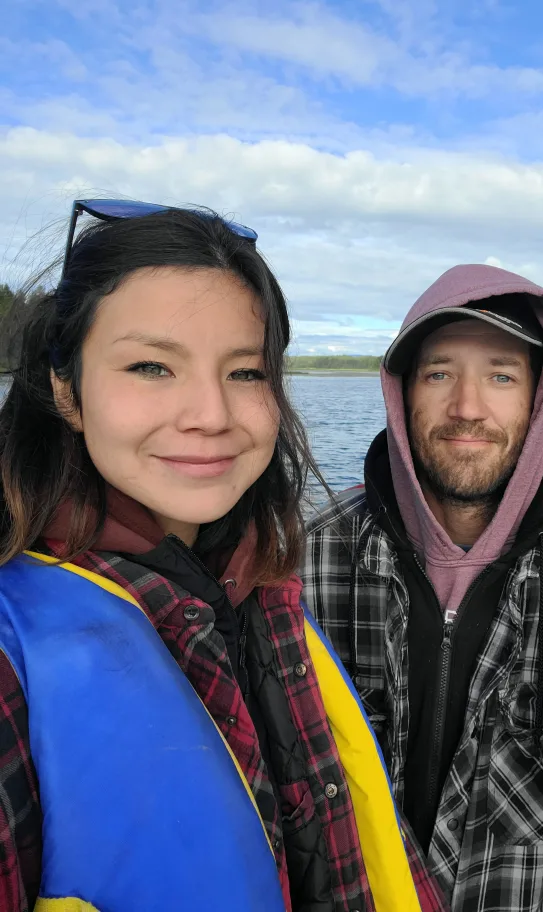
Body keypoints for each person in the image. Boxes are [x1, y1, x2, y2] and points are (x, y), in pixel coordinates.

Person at [0, 200, 446, 912]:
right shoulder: (12, 653)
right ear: (65, 388)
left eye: (244, 373)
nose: (210, 413)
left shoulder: (260, 588)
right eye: (151, 366)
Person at [301, 263, 543, 911]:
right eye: (440, 373)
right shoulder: (315, 557)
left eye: (501, 375)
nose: (468, 408)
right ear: (402, 394)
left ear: (539, 397)